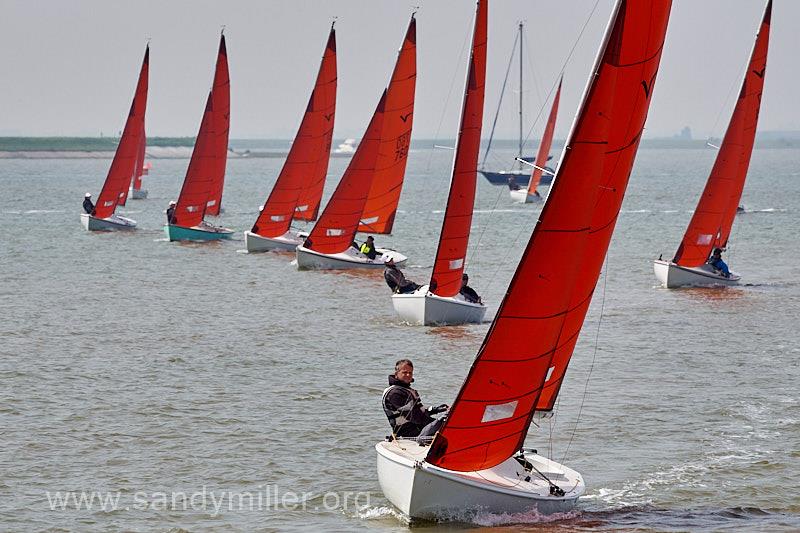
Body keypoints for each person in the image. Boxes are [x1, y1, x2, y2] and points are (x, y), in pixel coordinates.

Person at [382, 359, 448, 439]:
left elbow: (420, 411)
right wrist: (438, 422)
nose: (408, 375)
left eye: (410, 373)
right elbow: (416, 417)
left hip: (420, 430)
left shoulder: (406, 390)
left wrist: (437, 409)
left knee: (447, 420)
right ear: (396, 374)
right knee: (447, 423)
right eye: (404, 372)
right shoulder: (394, 393)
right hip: (411, 435)